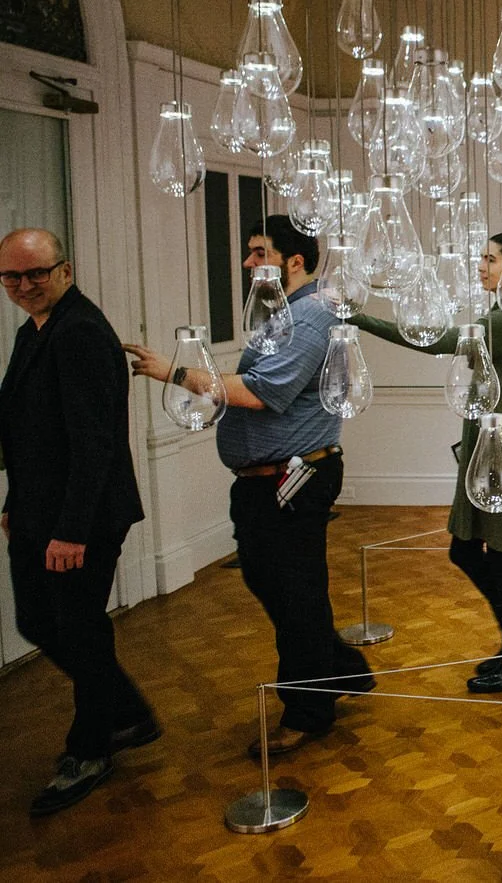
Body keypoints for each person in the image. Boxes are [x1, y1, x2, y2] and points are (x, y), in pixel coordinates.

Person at [126, 216, 371, 756]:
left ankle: (308, 712)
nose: (247, 263)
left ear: (295, 262)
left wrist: (174, 371)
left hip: (295, 477)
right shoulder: (283, 315)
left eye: (259, 252)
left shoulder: (309, 316)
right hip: (267, 481)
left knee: (295, 593)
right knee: (274, 582)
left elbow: (263, 391)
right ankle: (343, 670)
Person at [0, 229, 158, 815]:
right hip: (41, 510)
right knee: (41, 621)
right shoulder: (34, 331)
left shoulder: (83, 333)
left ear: (64, 269)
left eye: (35, 273)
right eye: (11, 277)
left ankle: (91, 747)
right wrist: (17, 503)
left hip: (83, 517)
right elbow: (26, 432)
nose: (23, 285)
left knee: (80, 629)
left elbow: (95, 445)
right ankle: (128, 712)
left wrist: (70, 530)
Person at [351, 229, 502, 693]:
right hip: (484, 448)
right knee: (466, 550)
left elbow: (435, 340)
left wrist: (360, 318)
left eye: (490, 260)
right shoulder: (499, 315)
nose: (481, 266)